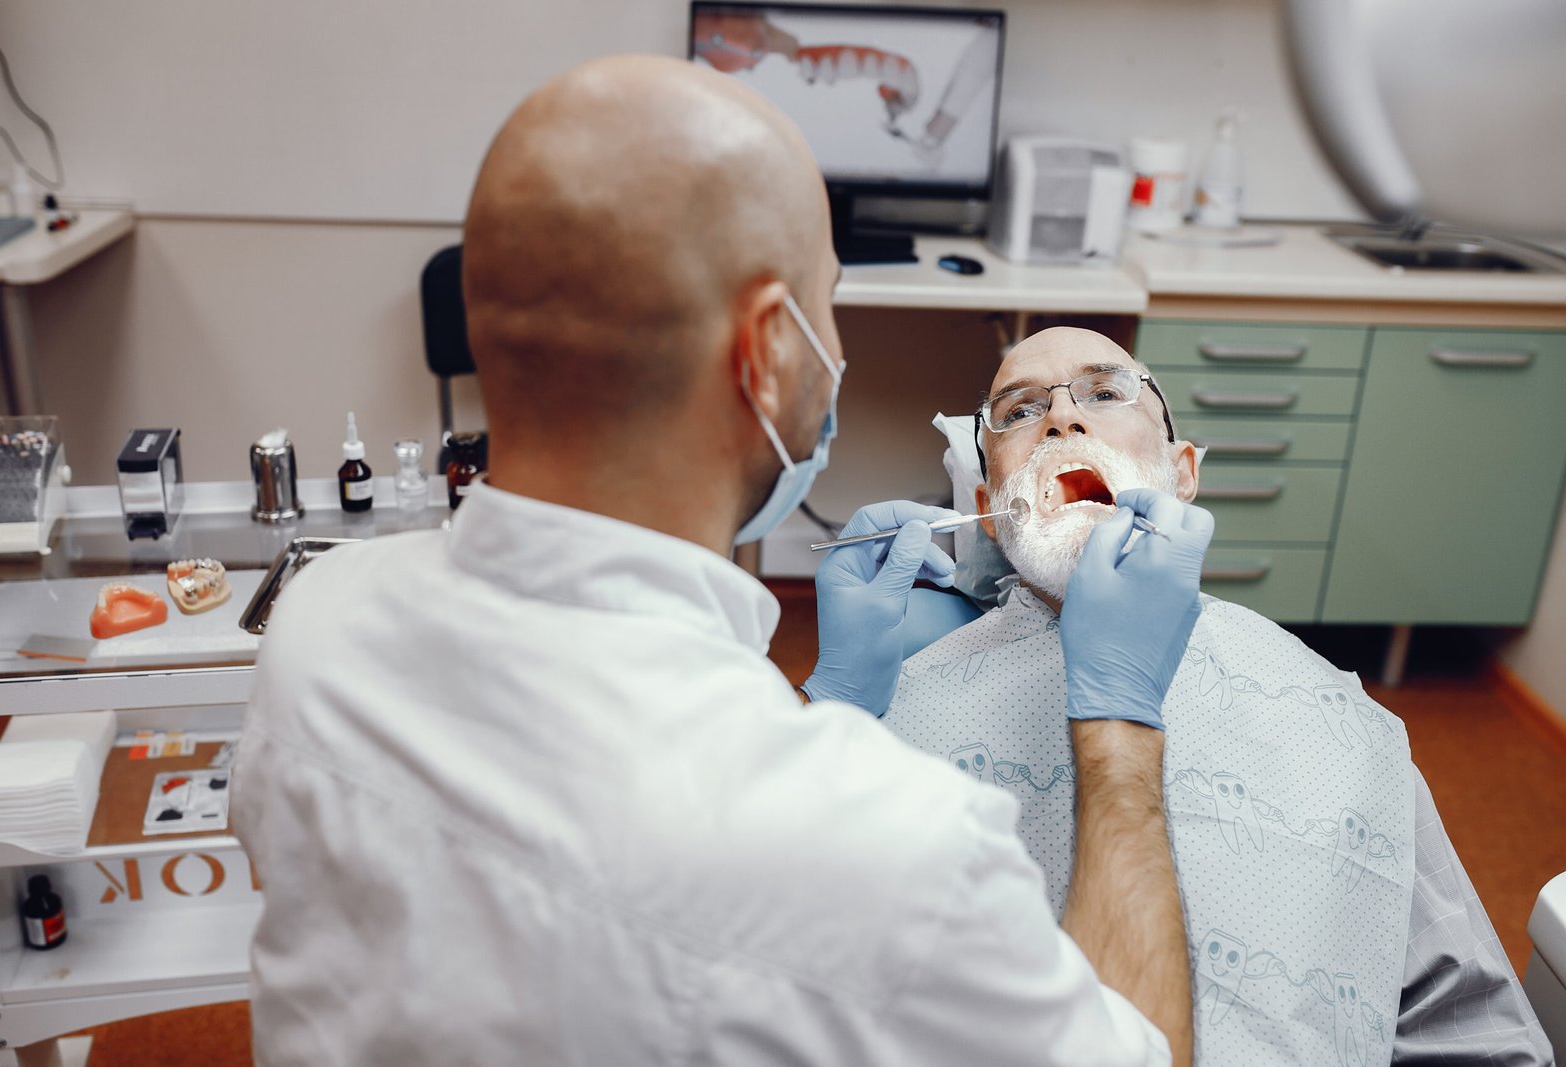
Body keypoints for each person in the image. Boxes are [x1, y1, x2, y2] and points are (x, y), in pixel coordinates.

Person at [231, 57, 1214, 1065]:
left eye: (1099, 395)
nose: (1060, 418)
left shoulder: (314, 629)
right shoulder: (906, 851)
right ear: (768, 352)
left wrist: (832, 701)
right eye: (825, 305)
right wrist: (1119, 726)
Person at [874, 326, 1552, 1065]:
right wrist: (836, 700)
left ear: (1182, 471)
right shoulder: (894, 712)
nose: (1062, 419)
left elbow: (1472, 1023)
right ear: (983, 500)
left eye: (1105, 393)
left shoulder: (1346, 722)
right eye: (1019, 409)